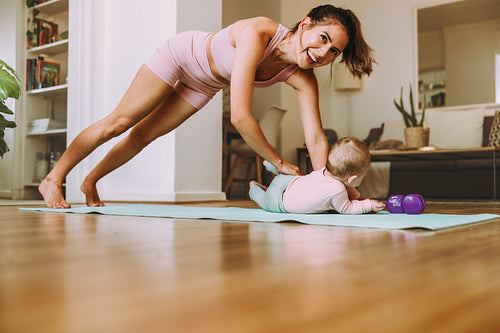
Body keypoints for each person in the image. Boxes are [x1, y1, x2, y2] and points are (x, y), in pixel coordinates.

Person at [39, 4, 375, 208]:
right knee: (120, 122)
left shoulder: (303, 78)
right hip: (181, 55)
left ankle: (90, 181)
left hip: (204, 83)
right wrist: (277, 162)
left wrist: (326, 186)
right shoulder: (259, 32)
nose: (322, 53)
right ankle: (54, 178)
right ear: (305, 25)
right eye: (323, 39)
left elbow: (316, 138)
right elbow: (242, 117)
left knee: (143, 136)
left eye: (334, 52)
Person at [249, 137, 385, 214]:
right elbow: (347, 209)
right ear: (352, 178)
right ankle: (254, 187)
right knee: (262, 199)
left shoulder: (324, 172)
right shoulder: (337, 190)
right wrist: (369, 204)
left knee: (298, 178)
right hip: (278, 202)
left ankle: (271, 167)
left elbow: (348, 192)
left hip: (287, 181)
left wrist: (356, 196)